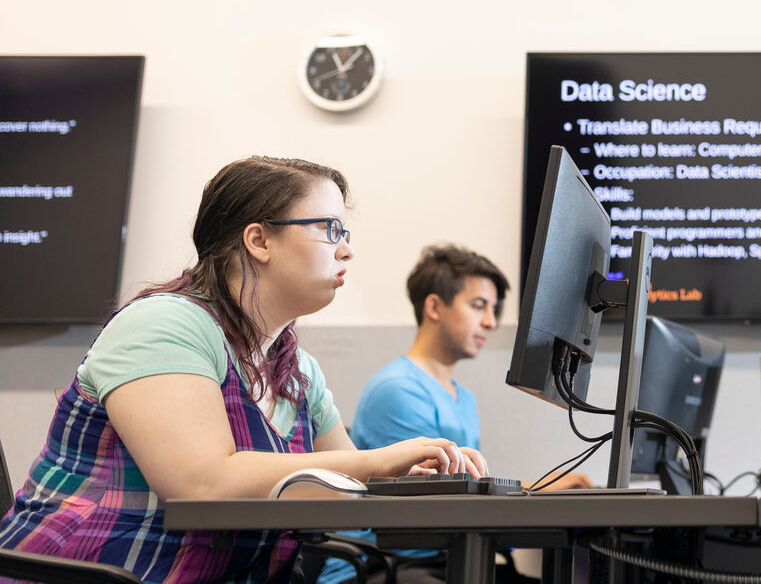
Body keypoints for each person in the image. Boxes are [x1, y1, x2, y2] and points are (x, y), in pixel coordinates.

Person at [0, 157, 484, 584]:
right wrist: (378, 461)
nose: (346, 250)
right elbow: (201, 484)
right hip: (100, 570)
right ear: (259, 240)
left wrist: (417, 473)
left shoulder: (298, 370)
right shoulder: (165, 323)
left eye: (346, 233)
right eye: (329, 229)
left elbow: (342, 489)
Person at [317, 243, 589, 584]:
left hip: (443, 556)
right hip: (391, 565)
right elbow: (438, 500)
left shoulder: (463, 398)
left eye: (493, 309)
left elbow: (466, 492)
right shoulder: (399, 389)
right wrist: (542, 489)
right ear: (434, 306)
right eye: (478, 306)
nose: (490, 322)